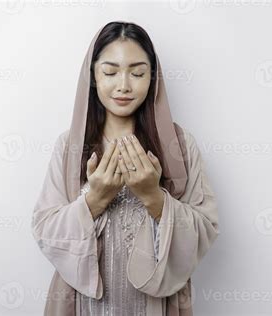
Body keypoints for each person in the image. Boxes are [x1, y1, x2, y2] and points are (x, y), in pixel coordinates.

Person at [31, 21, 220, 315]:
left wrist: (154, 198)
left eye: (137, 73)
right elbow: (45, 231)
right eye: (110, 72)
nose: (123, 85)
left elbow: (205, 230)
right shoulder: (70, 147)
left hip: (155, 304)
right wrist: (95, 199)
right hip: (85, 305)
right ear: (93, 75)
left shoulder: (178, 146)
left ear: (153, 77)